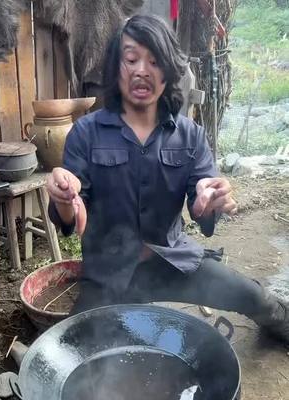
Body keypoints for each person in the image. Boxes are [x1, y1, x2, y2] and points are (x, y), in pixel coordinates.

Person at [47, 14, 289, 344]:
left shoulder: (191, 136)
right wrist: (64, 199)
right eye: (131, 59)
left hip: (173, 263)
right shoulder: (86, 133)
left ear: (169, 71)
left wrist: (210, 199)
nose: (141, 70)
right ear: (116, 67)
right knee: (75, 344)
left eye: (154, 60)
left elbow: (203, 208)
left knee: (255, 297)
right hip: (109, 275)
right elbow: (70, 215)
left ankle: (280, 325)